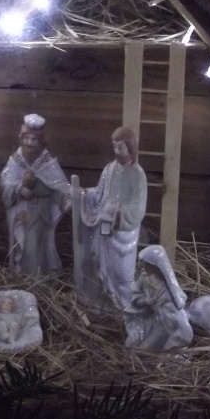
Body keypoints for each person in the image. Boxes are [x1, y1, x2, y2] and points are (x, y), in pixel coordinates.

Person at [74, 126, 147, 311]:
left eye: (121, 148)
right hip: (104, 230)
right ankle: (104, 300)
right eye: (115, 147)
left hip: (123, 234)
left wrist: (119, 212)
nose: (117, 152)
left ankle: (123, 305)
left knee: (122, 272)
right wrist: (83, 194)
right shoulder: (109, 169)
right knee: (100, 265)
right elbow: (99, 194)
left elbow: (138, 206)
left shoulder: (137, 174)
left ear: (130, 148)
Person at [0, 114, 71, 275]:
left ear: (41, 141)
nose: (29, 143)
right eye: (26, 138)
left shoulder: (47, 162)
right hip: (21, 212)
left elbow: (59, 185)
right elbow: (5, 182)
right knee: (21, 244)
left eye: (34, 140)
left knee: (34, 245)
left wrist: (65, 199)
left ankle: (35, 278)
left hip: (40, 213)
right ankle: (22, 276)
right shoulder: (16, 160)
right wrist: (20, 189)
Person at [124, 245, 193, 350]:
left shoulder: (169, 292)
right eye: (143, 262)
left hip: (163, 326)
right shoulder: (144, 277)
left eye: (146, 264)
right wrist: (146, 301)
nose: (143, 266)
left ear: (156, 265)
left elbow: (181, 327)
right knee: (129, 344)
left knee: (142, 350)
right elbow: (135, 296)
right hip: (146, 318)